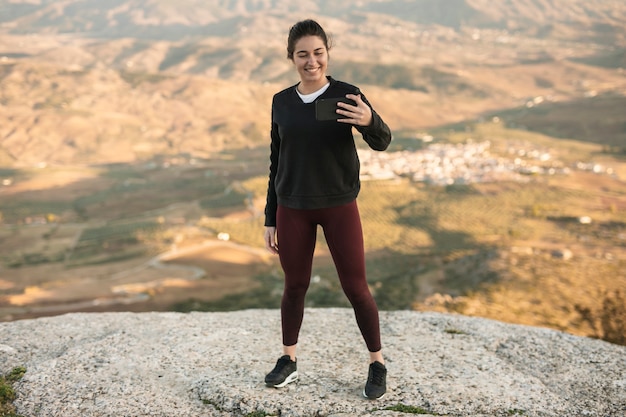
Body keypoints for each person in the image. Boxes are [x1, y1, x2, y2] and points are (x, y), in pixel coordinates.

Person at [262, 19, 392, 400]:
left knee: (356, 288)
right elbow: (276, 160)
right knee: (294, 287)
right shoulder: (281, 102)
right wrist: (270, 216)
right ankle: (288, 360)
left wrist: (371, 121)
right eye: (302, 54)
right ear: (292, 58)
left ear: (327, 54)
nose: (311, 61)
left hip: (339, 206)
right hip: (293, 207)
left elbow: (382, 141)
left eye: (318, 53)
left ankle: (377, 363)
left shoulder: (347, 94)